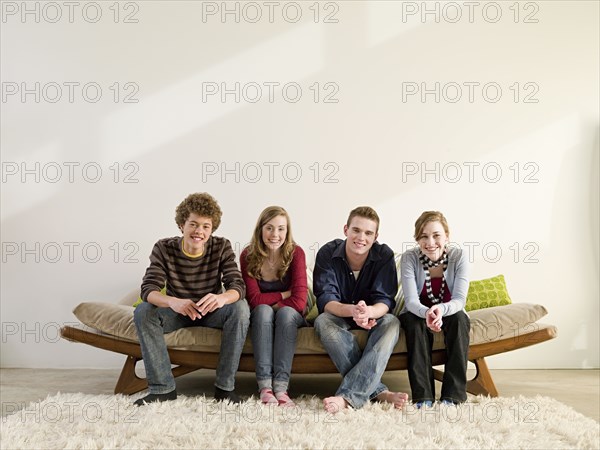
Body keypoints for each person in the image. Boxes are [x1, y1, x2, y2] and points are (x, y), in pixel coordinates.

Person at [133, 192, 249, 406]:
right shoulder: (164, 247)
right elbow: (148, 289)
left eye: (206, 226)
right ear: (181, 225)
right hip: (178, 313)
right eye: (193, 224)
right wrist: (172, 302)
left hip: (212, 313)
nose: (199, 231)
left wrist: (222, 298)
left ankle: (225, 388)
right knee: (143, 311)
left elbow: (238, 286)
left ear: (212, 229)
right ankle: (162, 389)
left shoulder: (221, 246)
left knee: (240, 308)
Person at [313, 206, 408, 413]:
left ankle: (347, 397)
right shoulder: (327, 253)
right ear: (346, 229)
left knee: (392, 322)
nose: (361, 238)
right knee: (322, 322)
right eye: (356, 230)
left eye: (368, 233)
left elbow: (384, 300)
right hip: (339, 315)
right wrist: (354, 311)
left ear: (376, 237)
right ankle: (378, 391)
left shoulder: (384, 255)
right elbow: (326, 301)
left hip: (372, 316)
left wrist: (369, 313)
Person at [399, 211, 470, 407]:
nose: (430, 242)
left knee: (460, 320)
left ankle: (453, 395)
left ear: (447, 236)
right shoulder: (409, 258)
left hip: (449, 311)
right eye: (423, 236)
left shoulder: (459, 256)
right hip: (417, 312)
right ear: (417, 239)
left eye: (436, 235)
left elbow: (459, 300)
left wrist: (439, 309)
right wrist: (427, 313)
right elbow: (411, 301)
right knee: (414, 324)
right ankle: (423, 397)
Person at [240, 206, 308, 407]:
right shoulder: (248, 256)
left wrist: (273, 303)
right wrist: (284, 294)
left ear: (287, 232)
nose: (275, 235)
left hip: (291, 317)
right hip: (263, 316)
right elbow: (253, 300)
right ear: (260, 229)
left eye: (281, 229)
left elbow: (300, 301)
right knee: (262, 311)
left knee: (285, 313)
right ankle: (265, 387)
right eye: (269, 228)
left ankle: (281, 387)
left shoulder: (296, 253)